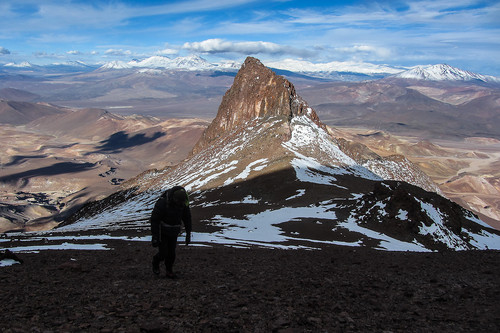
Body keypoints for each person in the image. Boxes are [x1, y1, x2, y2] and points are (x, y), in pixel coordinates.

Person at [150, 186, 192, 278]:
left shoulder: (183, 205)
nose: (180, 204)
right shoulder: (163, 203)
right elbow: (155, 220)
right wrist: (155, 236)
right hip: (163, 232)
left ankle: (169, 271)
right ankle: (156, 261)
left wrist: (188, 234)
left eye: (182, 202)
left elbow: (187, 218)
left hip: (174, 231)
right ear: (174, 198)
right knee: (163, 252)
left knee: (171, 253)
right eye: (179, 202)